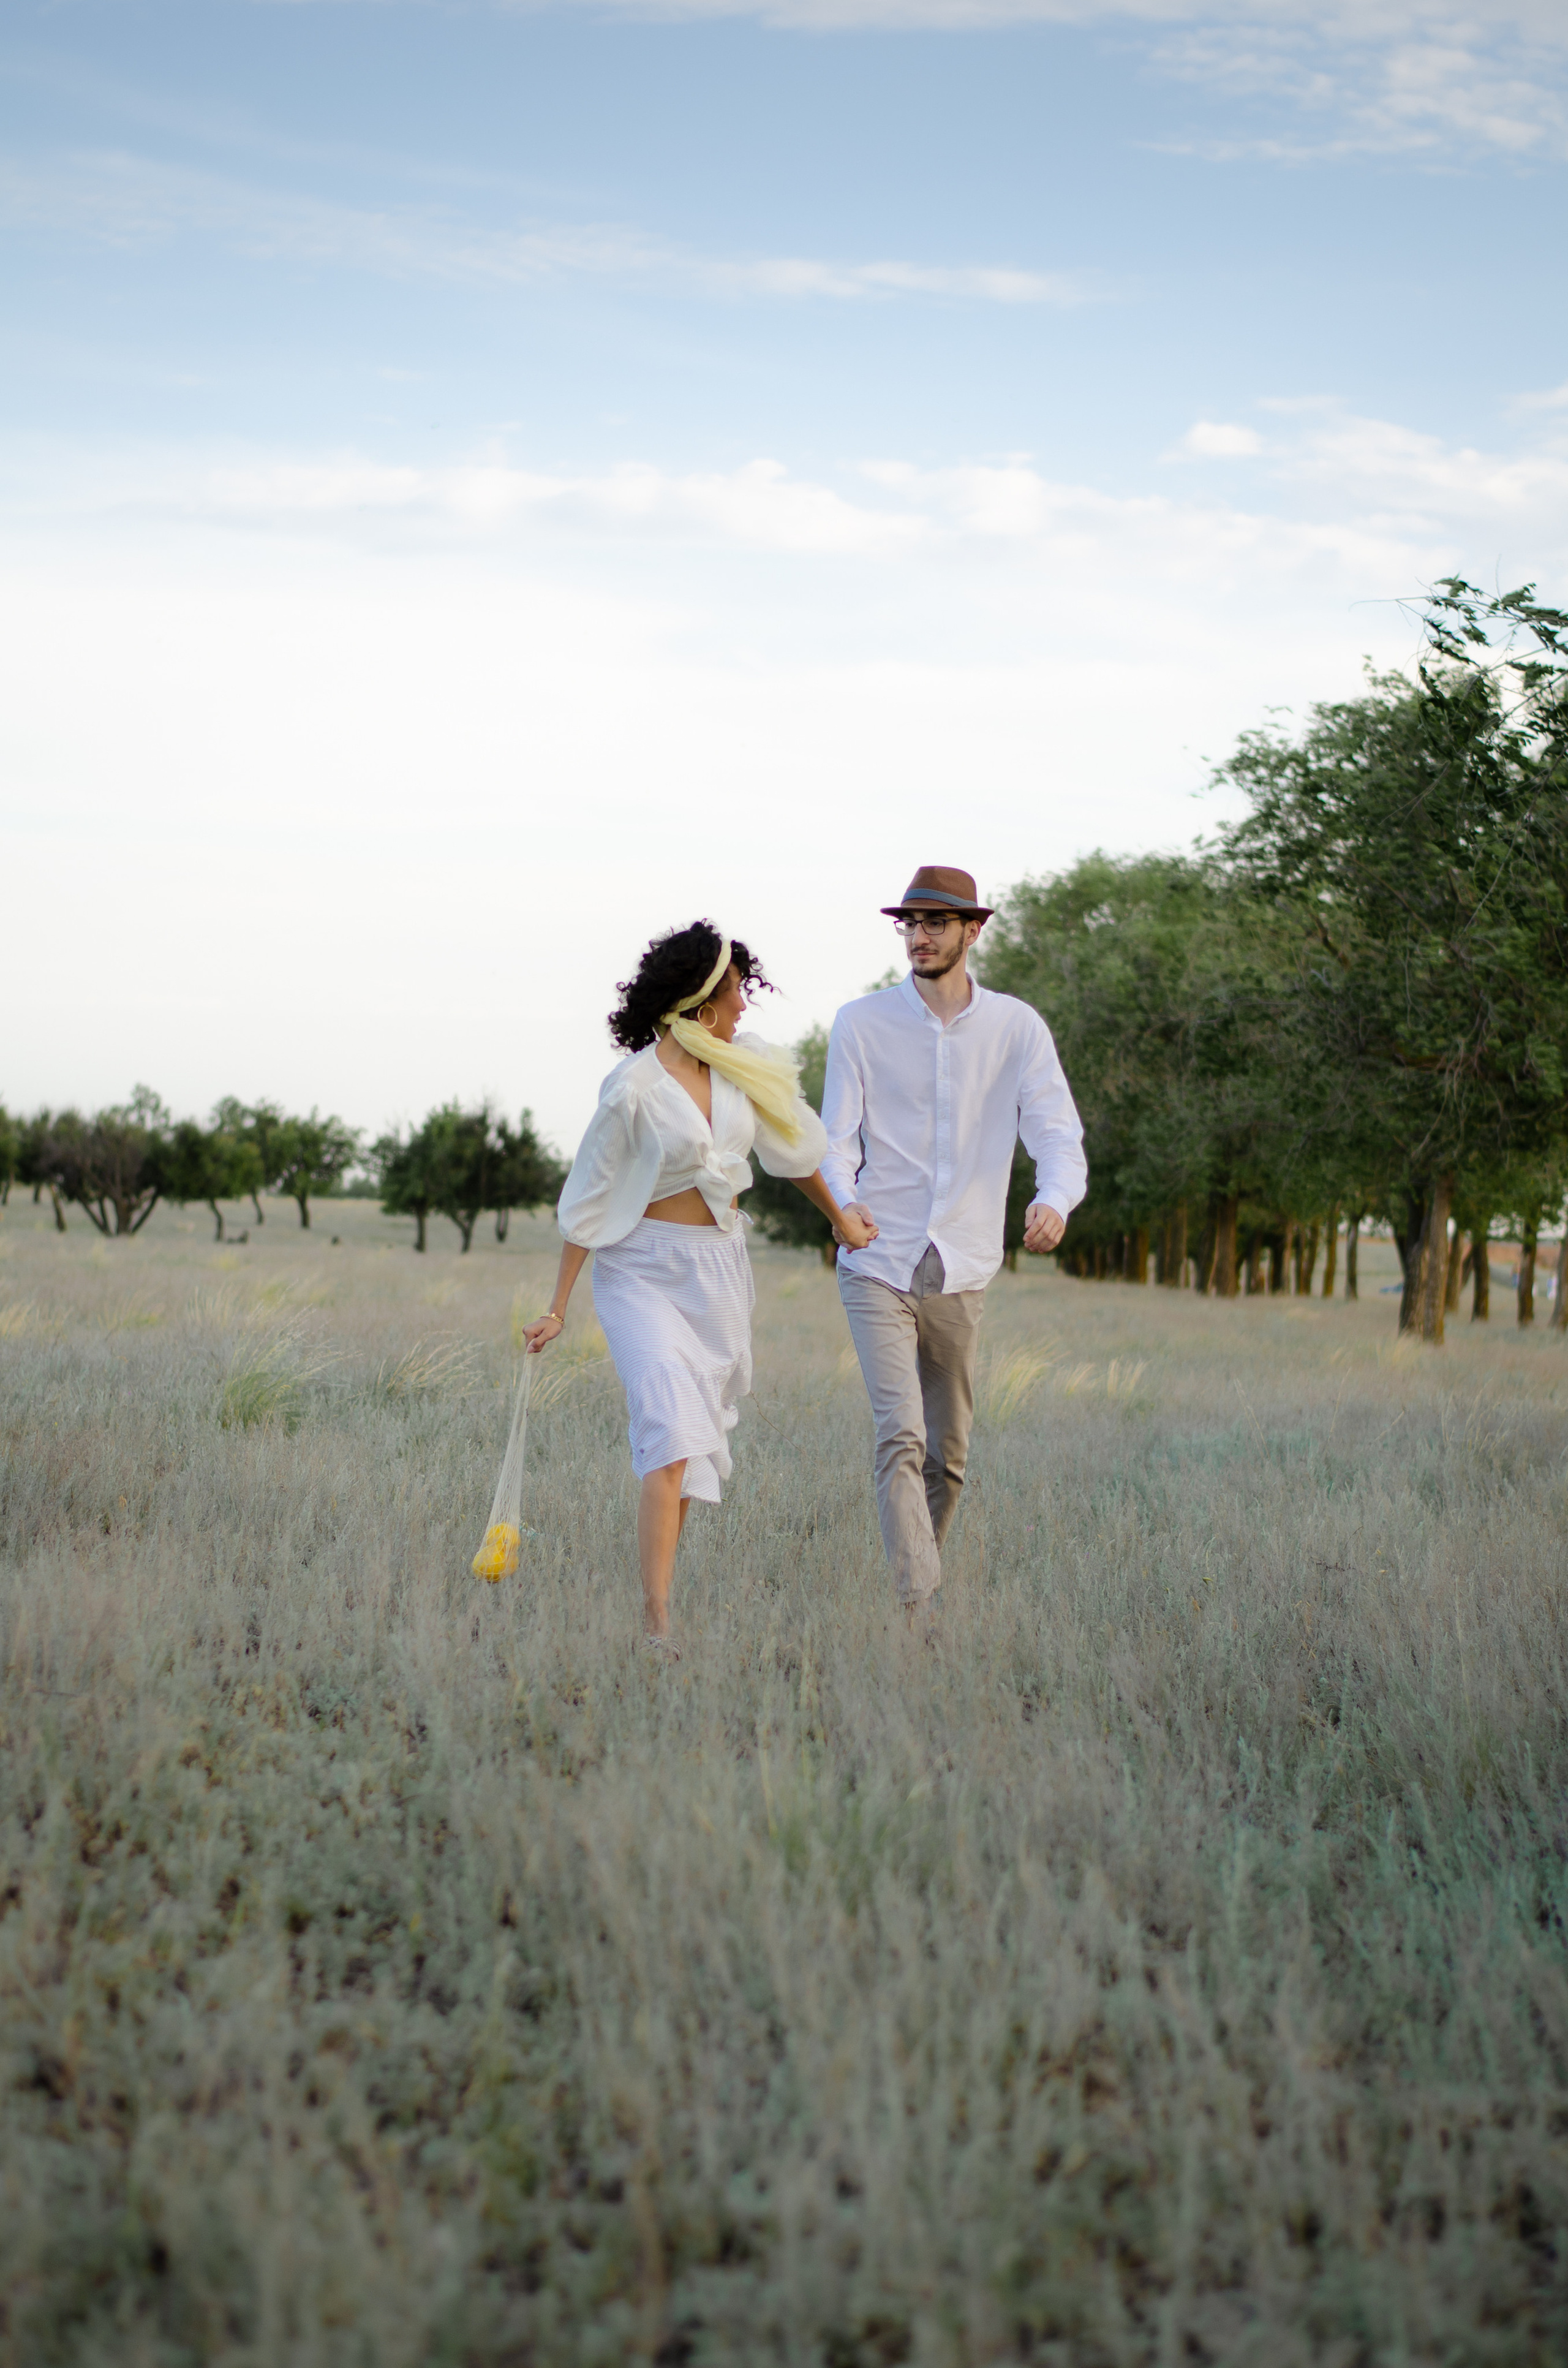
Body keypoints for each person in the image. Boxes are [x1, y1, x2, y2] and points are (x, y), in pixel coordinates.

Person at [524, 920, 878, 1654]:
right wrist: (558, 1306)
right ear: (703, 997)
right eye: (737, 991)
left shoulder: (744, 1065)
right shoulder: (634, 1087)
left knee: (687, 1441)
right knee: (667, 1430)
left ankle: (661, 1594)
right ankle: (655, 1624)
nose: (745, 1007)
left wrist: (842, 1216)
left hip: (716, 1269)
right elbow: (588, 1197)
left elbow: (790, 1149)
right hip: (641, 1270)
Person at [821, 866, 1086, 1614]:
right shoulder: (861, 1023)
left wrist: (1053, 1199)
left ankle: (918, 1572)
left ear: (973, 930)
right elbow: (833, 1141)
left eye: (937, 923)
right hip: (875, 1257)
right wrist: (843, 1207)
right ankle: (919, 1608)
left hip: (963, 1263)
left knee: (950, 1456)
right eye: (911, 922)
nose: (920, 935)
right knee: (899, 1434)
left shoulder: (1016, 1028)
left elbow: (1057, 1132)